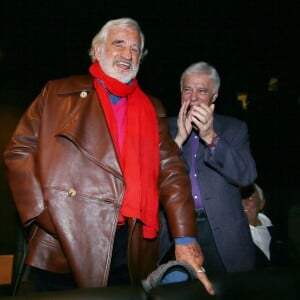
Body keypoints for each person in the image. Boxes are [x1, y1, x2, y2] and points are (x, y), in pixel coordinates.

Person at [3, 18, 214, 295]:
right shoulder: (57, 93)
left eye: (136, 49)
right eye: (119, 44)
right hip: (62, 241)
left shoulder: (152, 107)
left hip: (131, 246)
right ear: (98, 49)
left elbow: (171, 172)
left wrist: (185, 239)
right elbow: (18, 150)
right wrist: (43, 212)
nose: (128, 54)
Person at [160, 61, 257, 276]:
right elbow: (149, 179)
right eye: (188, 89)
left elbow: (247, 175)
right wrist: (178, 140)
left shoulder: (234, 128)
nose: (193, 97)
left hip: (224, 236)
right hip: (175, 232)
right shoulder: (164, 127)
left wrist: (211, 137)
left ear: (214, 96)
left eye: (202, 91)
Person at [241, 183, 291, 268]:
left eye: (250, 198)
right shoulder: (232, 236)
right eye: (240, 198)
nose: (243, 203)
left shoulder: (277, 233)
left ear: (261, 204)